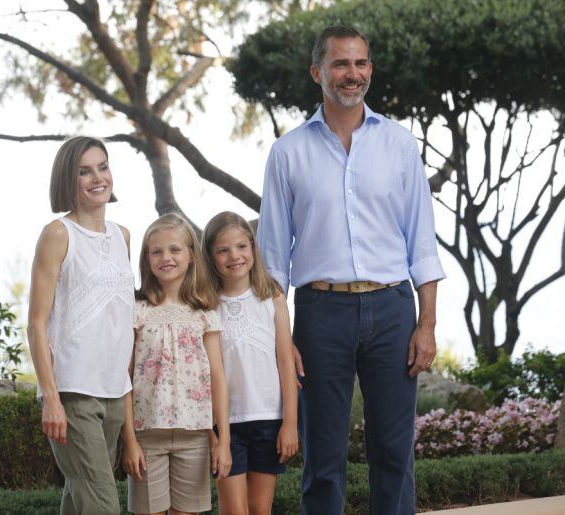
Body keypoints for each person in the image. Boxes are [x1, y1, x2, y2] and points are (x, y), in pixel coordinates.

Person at [256, 26, 446, 515]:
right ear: (318, 72)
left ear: (370, 71)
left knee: (394, 451)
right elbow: (272, 259)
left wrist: (426, 324)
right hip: (320, 312)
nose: (352, 74)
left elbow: (421, 241)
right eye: (341, 64)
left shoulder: (400, 147)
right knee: (322, 453)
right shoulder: (287, 153)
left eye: (360, 63)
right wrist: (282, 339)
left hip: (391, 307)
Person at [26, 136, 135, 515]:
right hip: (73, 392)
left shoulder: (122, 237)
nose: (97, 178)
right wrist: (51, 398)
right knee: (102, 505)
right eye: (84, 171)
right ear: (67, 180)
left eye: (102, 167)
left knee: (80, 499)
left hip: (113, 391)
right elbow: (37, 324)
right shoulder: (58, 234)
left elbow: (120, 320)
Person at [121, 213, 232, 515]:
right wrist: (129, 440)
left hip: (195, 436)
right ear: (147, 258)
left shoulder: (204, 311)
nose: (165, 257)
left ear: (191, 256)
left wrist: (223, 441)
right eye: (156, 251)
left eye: (174, 249)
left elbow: (218, 378)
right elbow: (125, 379)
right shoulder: (137, 310)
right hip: (147, 436)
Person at [201, 211, 299, 515]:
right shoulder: (206, 305)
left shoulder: (273, 298)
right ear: (211, 256)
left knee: (259, 508)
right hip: (226, 423)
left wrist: (290, 424)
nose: (234, 256)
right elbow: (205, 375)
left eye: (241, 246)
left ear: (253, 248)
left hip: (269, 419)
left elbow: (286, 363)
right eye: (223, 250)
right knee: (234, 511)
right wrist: (212, 433)